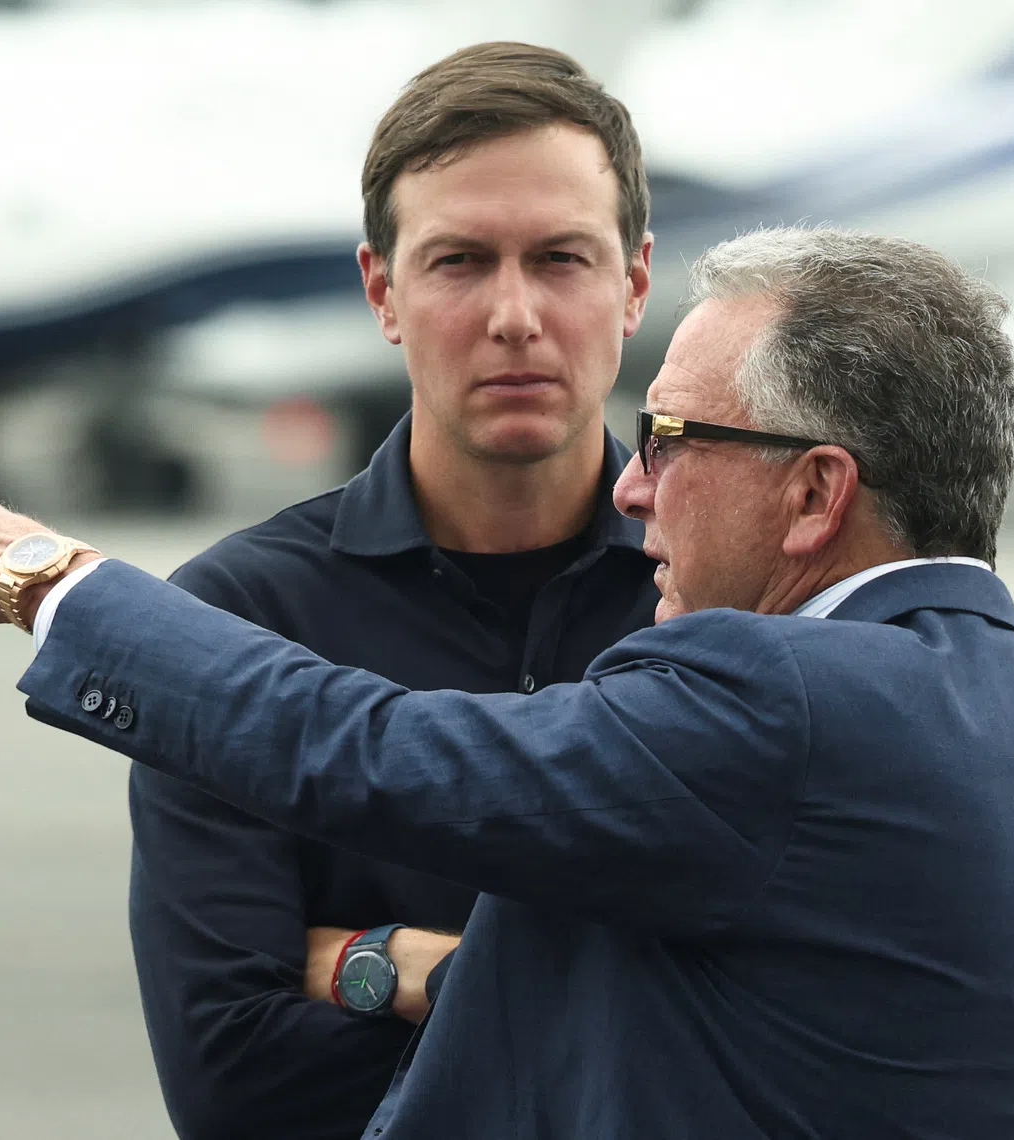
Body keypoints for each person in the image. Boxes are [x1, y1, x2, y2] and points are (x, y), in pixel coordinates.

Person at [0, 224, 1014, 1140]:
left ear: (813, 496)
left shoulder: (770, 697)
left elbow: (368, 747)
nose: (635, 486)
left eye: (672, 437)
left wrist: (41, 579)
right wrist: (396, 972)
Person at [123, 41, 657, 1140]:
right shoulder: (233, 617)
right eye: (460, 261)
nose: (515, 315)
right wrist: (640, 1034)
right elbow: (238, 1087)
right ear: (383, 291)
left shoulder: (730, 594)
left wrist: (379, 964)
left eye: (561, 258)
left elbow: (821, 1013)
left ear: (634, 285)